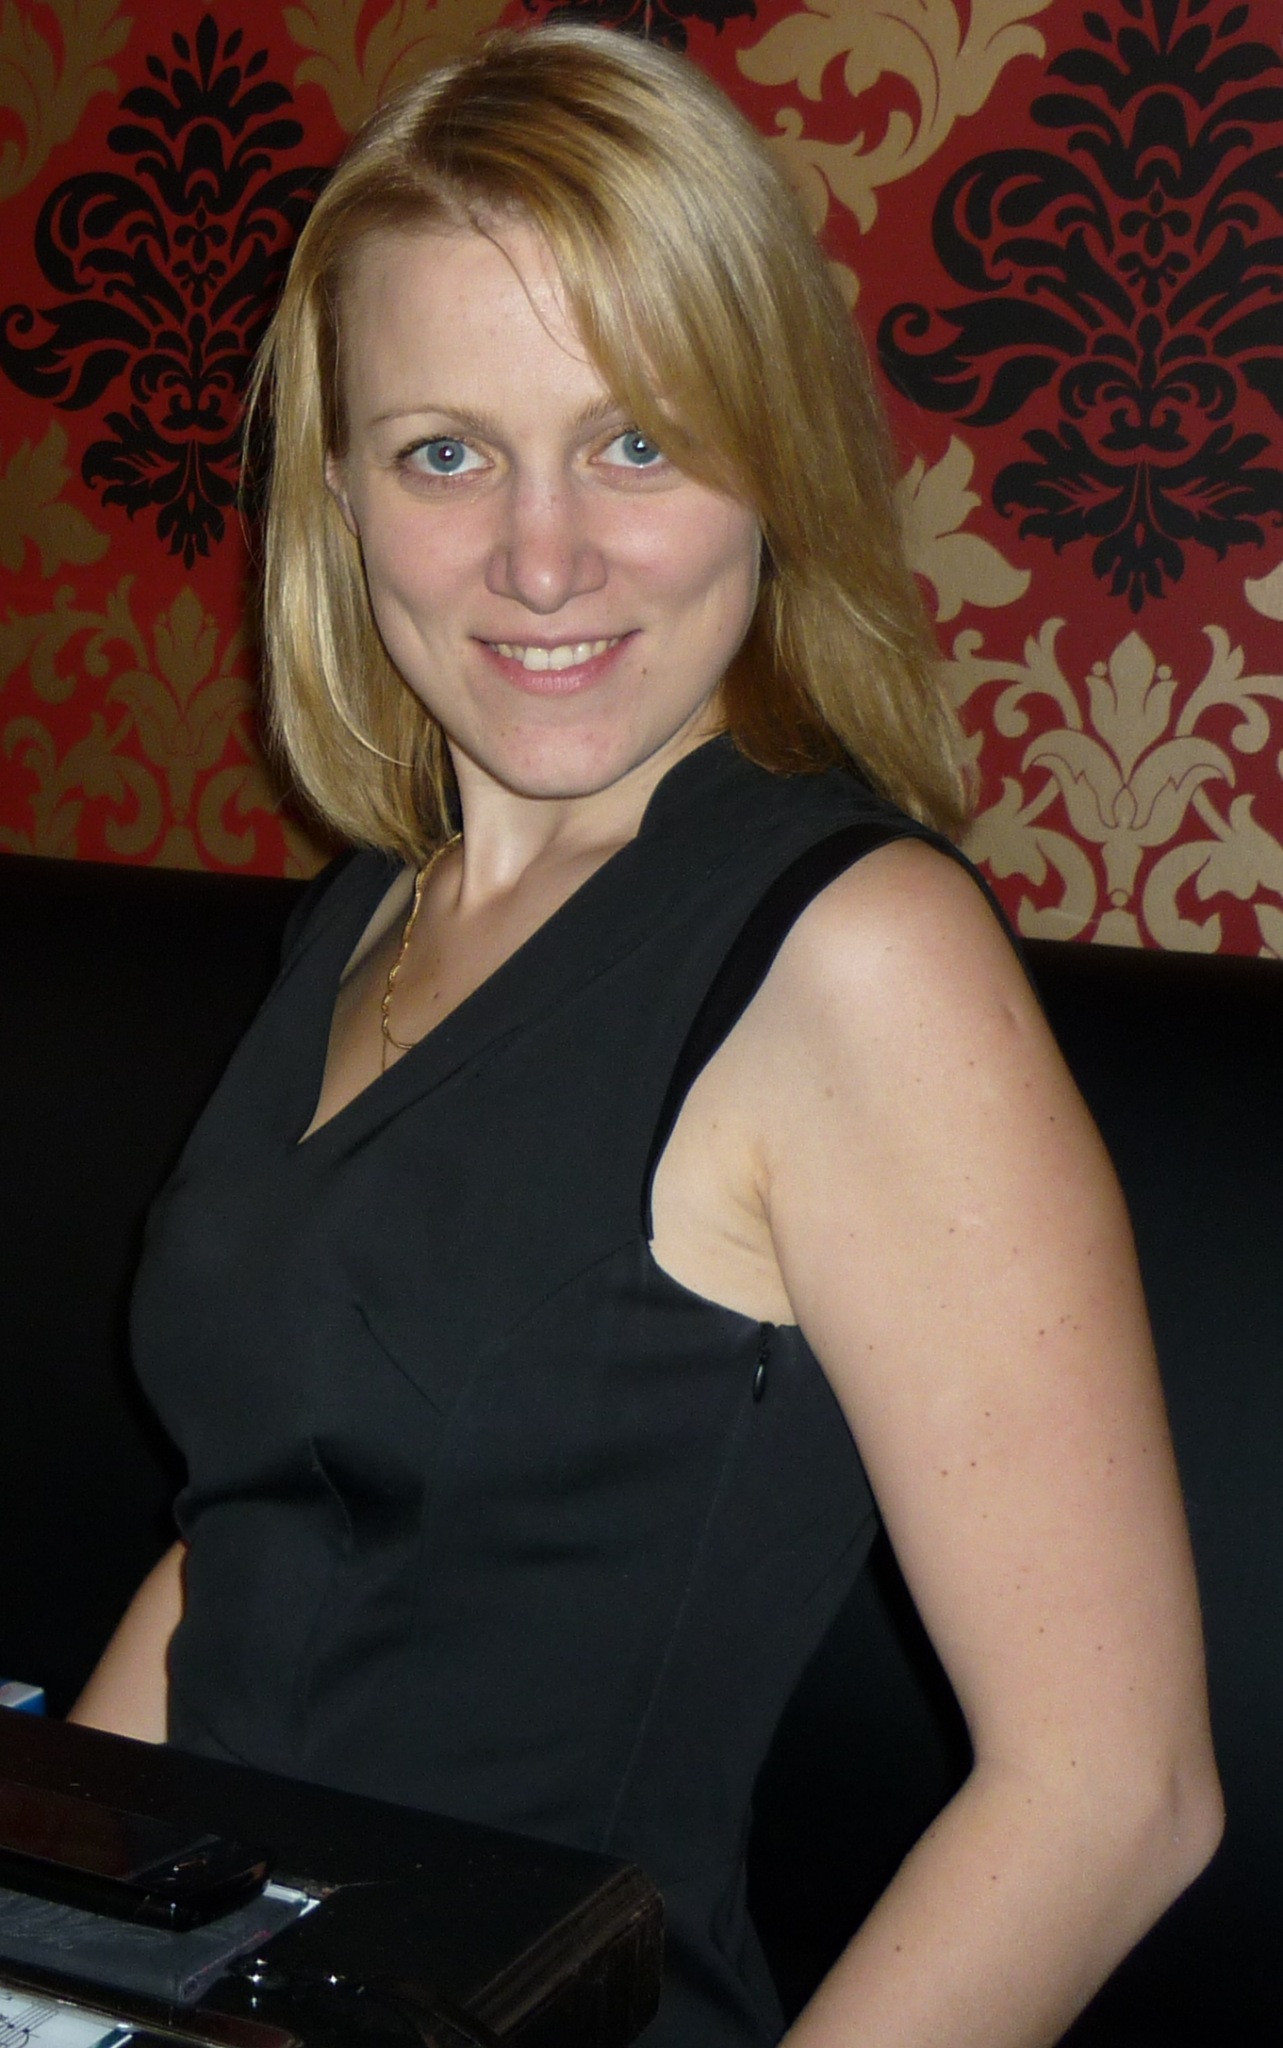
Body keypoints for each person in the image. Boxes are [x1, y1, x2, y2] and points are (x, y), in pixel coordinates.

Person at [71, 23, 1222, 2047]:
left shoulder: (854, 956)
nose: (544, 558)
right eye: (446, 452)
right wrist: (51, 1929)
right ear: (339, 490)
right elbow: (253, 1538)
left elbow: (1114, 1796)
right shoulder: (380, 905)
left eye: (638, 442)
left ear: (772, 459)